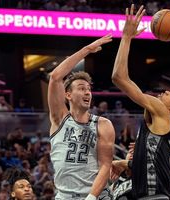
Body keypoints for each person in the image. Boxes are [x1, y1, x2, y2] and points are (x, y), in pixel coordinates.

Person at [111, 4, 170, 199]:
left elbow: (119, 77)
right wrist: (143, 158)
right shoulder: (161, 132)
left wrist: (126, 37)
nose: (167, 91)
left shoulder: (161, 111)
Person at [48, 35, 115, 200]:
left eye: (89, 89)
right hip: (64, 196)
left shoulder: (103, 124)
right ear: (68, 95)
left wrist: (91, 197)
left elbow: (105, 165)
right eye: (81, 88)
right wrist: (87, 50)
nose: (87, 92)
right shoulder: (59, 119)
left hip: (96, 196)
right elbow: (55, 77)